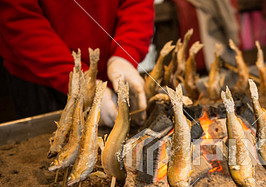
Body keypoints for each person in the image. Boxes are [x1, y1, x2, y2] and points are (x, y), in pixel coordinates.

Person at [0, 0, 154, 126]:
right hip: (39, 79)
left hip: (110, 70)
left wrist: (125, 54)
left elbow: (137, 4)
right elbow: (20, 17)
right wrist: (75, 79)